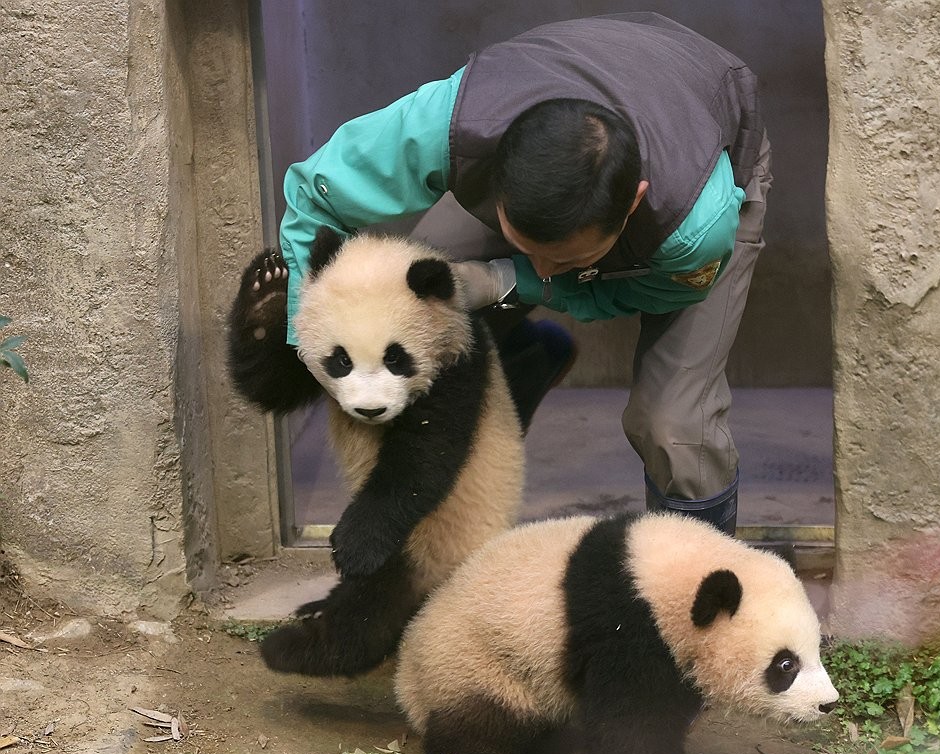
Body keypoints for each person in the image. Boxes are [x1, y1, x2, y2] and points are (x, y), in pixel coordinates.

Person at [277, 12, 770, 534]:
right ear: (499, 179)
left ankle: (696, 593)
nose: (544, 268)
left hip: (707, 136)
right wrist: (305, 337)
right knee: (408, 320)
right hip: (577, 80)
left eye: (568, 260)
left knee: (674, 421)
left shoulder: (693, 226)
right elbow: (314, 193)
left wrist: (506, 278)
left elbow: (641, 295)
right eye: (524, 244)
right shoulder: (446, 124)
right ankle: (521, 367)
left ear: (632, 204)